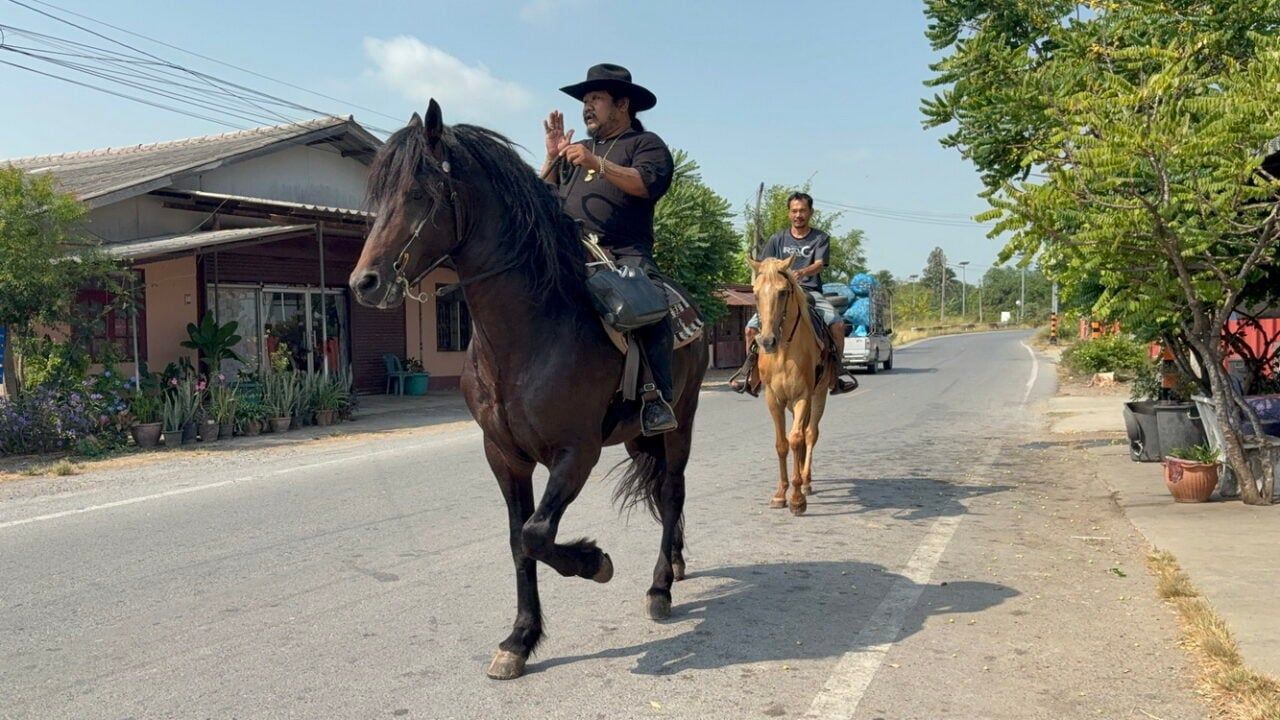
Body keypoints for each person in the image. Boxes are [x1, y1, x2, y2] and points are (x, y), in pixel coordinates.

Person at [540, 63, 679, 435]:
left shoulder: (645, 145)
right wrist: (552, 158)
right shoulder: (576, 151)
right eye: (585, 100)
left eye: (596, 98)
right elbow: (543, 196)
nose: (587, 107)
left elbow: (645, 183)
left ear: (622, 104)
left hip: (624, 254)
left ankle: (656, 397)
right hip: (570, 252)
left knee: (648, 304)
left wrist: (597, 163)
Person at [730, 192, 859, 396]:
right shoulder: (777, 239)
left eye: (802, 211)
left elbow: (819, 264)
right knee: (750, 329)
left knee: (837, 325)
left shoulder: (820, 238)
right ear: (789, 213)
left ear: (810, 212)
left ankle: (837, 373)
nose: (798, 215)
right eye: (794, 211)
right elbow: (764, 265)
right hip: (780, 293)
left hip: (809, 291)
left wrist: (802, 272)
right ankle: (751, 375)